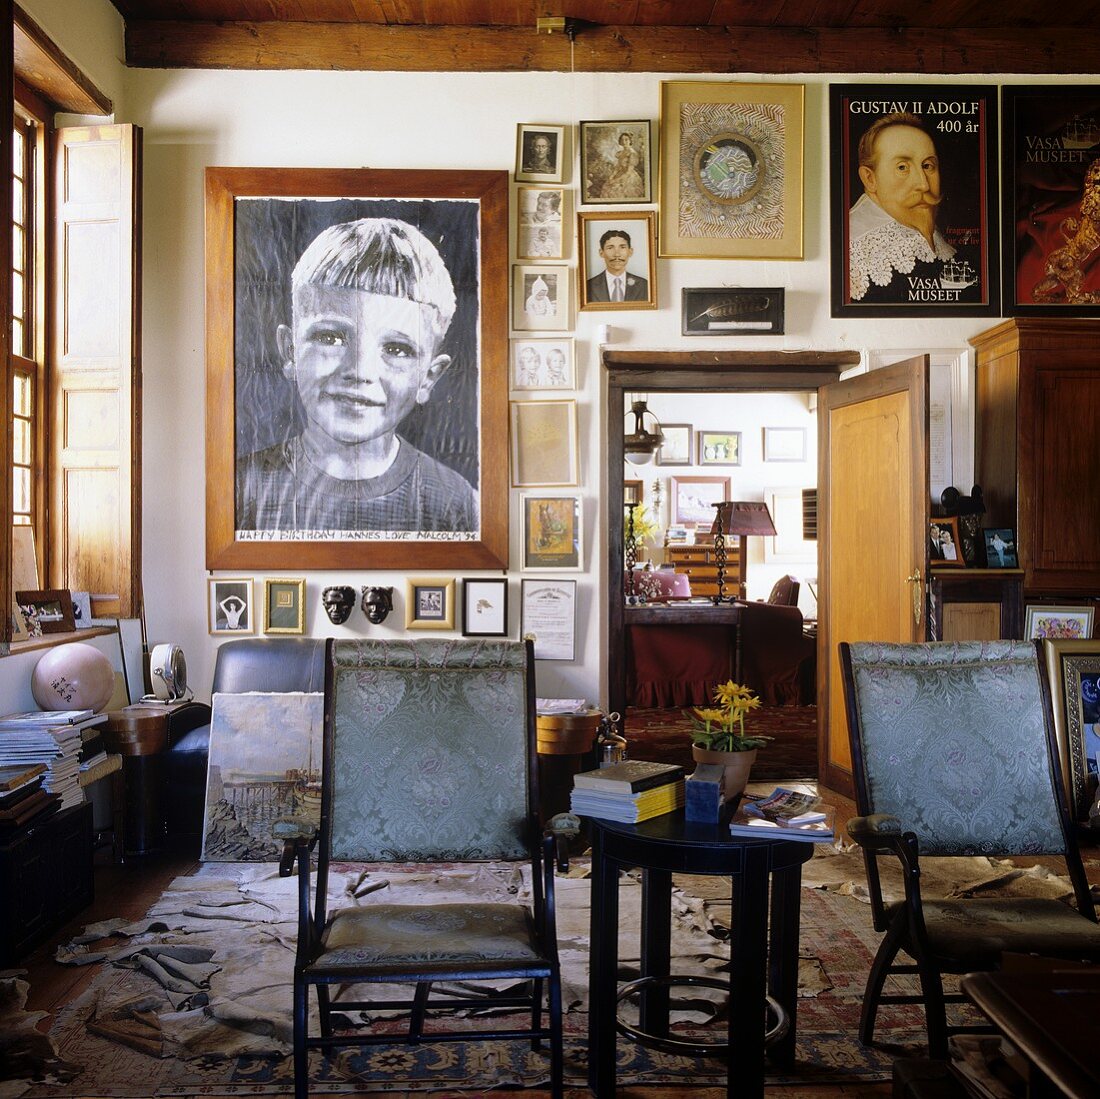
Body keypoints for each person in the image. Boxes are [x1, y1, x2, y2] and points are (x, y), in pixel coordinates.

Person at [235, 216, 477, 534]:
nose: (360, 371)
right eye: (330, 338)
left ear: (428, 378)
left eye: (396, 349)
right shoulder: (241, 488)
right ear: (290, 351)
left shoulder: (457, 503)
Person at [848, 112, 956, 303]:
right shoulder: (854, 250)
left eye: (928, 166)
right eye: (902, 167)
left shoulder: (939, 243)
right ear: (869, 178)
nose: (924, 185)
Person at [586, 228, 649, 303]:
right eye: (610, 248)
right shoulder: (588, 286)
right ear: (601, 252)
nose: (617, 254)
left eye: (622, 247)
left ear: (630, 251)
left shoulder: (644, 285)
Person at [598, 131, 645, 200]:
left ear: (630, 141)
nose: (624, 142)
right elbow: (618, 167)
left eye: (626, 139)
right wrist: (612, 176)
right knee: (607, 185)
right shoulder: (620, 153)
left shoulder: (632, 153)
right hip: (620, 173)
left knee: (616, 189)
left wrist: (616, 180)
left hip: (629, 177)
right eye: (622, 140)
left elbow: (629, 172)